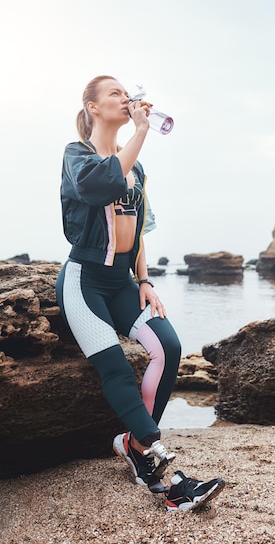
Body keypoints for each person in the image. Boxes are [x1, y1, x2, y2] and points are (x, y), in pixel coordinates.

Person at [56, 75, 225, 511]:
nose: (126, 97)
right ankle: (153, 450)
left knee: (168, 346)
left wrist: (145, 281)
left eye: (125, 91)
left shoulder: (138, 166)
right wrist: (141, 131)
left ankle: (133, 443)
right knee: (115, 368)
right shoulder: (77, 156)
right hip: (84, 281)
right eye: (114, 93)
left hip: (123, 283)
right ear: (93, 107)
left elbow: (139, 230)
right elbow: (102, 187)